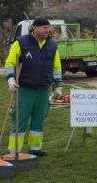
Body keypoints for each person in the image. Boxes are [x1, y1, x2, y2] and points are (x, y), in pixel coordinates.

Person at [4, 18, 63, 157]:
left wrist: (58, 86)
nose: (47, 30)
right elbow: (10, 62)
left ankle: (35, 148)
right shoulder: (21, 42)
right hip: (25, 88)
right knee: (20, 118)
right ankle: (14, 150)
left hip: (44, 88)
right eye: (44, 27)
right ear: (35, 28)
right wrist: (10, 79)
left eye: (48, 28)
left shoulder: (52, 45)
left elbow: (56, 67)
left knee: (39, 118)